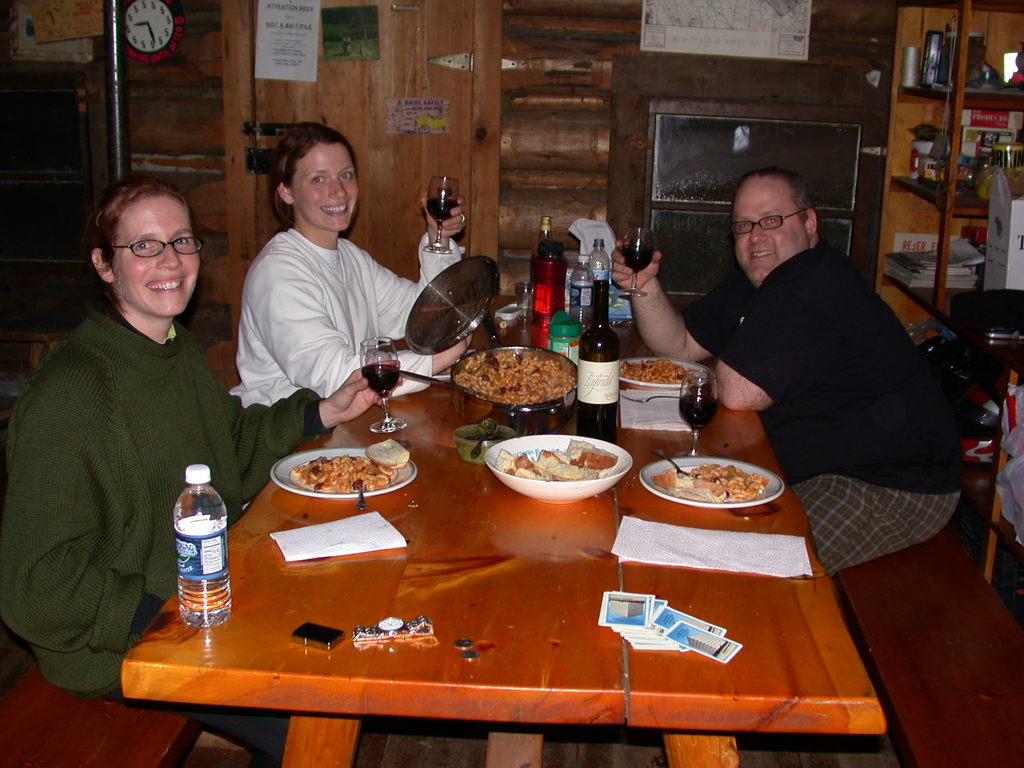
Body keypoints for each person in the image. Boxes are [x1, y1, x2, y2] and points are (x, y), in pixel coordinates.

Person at [0, 176, 378, 766]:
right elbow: (35, 588)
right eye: (144, 246)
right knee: (309, 717)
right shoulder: (69, 398)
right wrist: (158, 613)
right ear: (104, 265)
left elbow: (227, 446)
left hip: (201, 596)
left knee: (342, 628)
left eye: (182, 241)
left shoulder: (172, 350)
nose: (170, 261)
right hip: (121, 644)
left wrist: (322, 410)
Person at [614, 167, 961, 574]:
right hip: (808, 462)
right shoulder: (759, 279)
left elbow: (740, 393)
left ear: (809, 223)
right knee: (674, 515)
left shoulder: (814, 281)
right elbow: (679, 344)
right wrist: (644, 286)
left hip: (887, 483)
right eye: (743, 226)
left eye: (772, 220)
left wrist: (710, 372)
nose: (756, 237)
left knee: (757, 564)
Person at [231, 122, 469, 407]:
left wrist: (438, 238)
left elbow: (424, 313)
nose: (339, 191)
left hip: (349, 422)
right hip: (289, 435)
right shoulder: (277, 275)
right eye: (318, 179)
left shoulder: (350, 256)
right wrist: (443, 356)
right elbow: (338, 377)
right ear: (286, 191)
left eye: (345, 175)